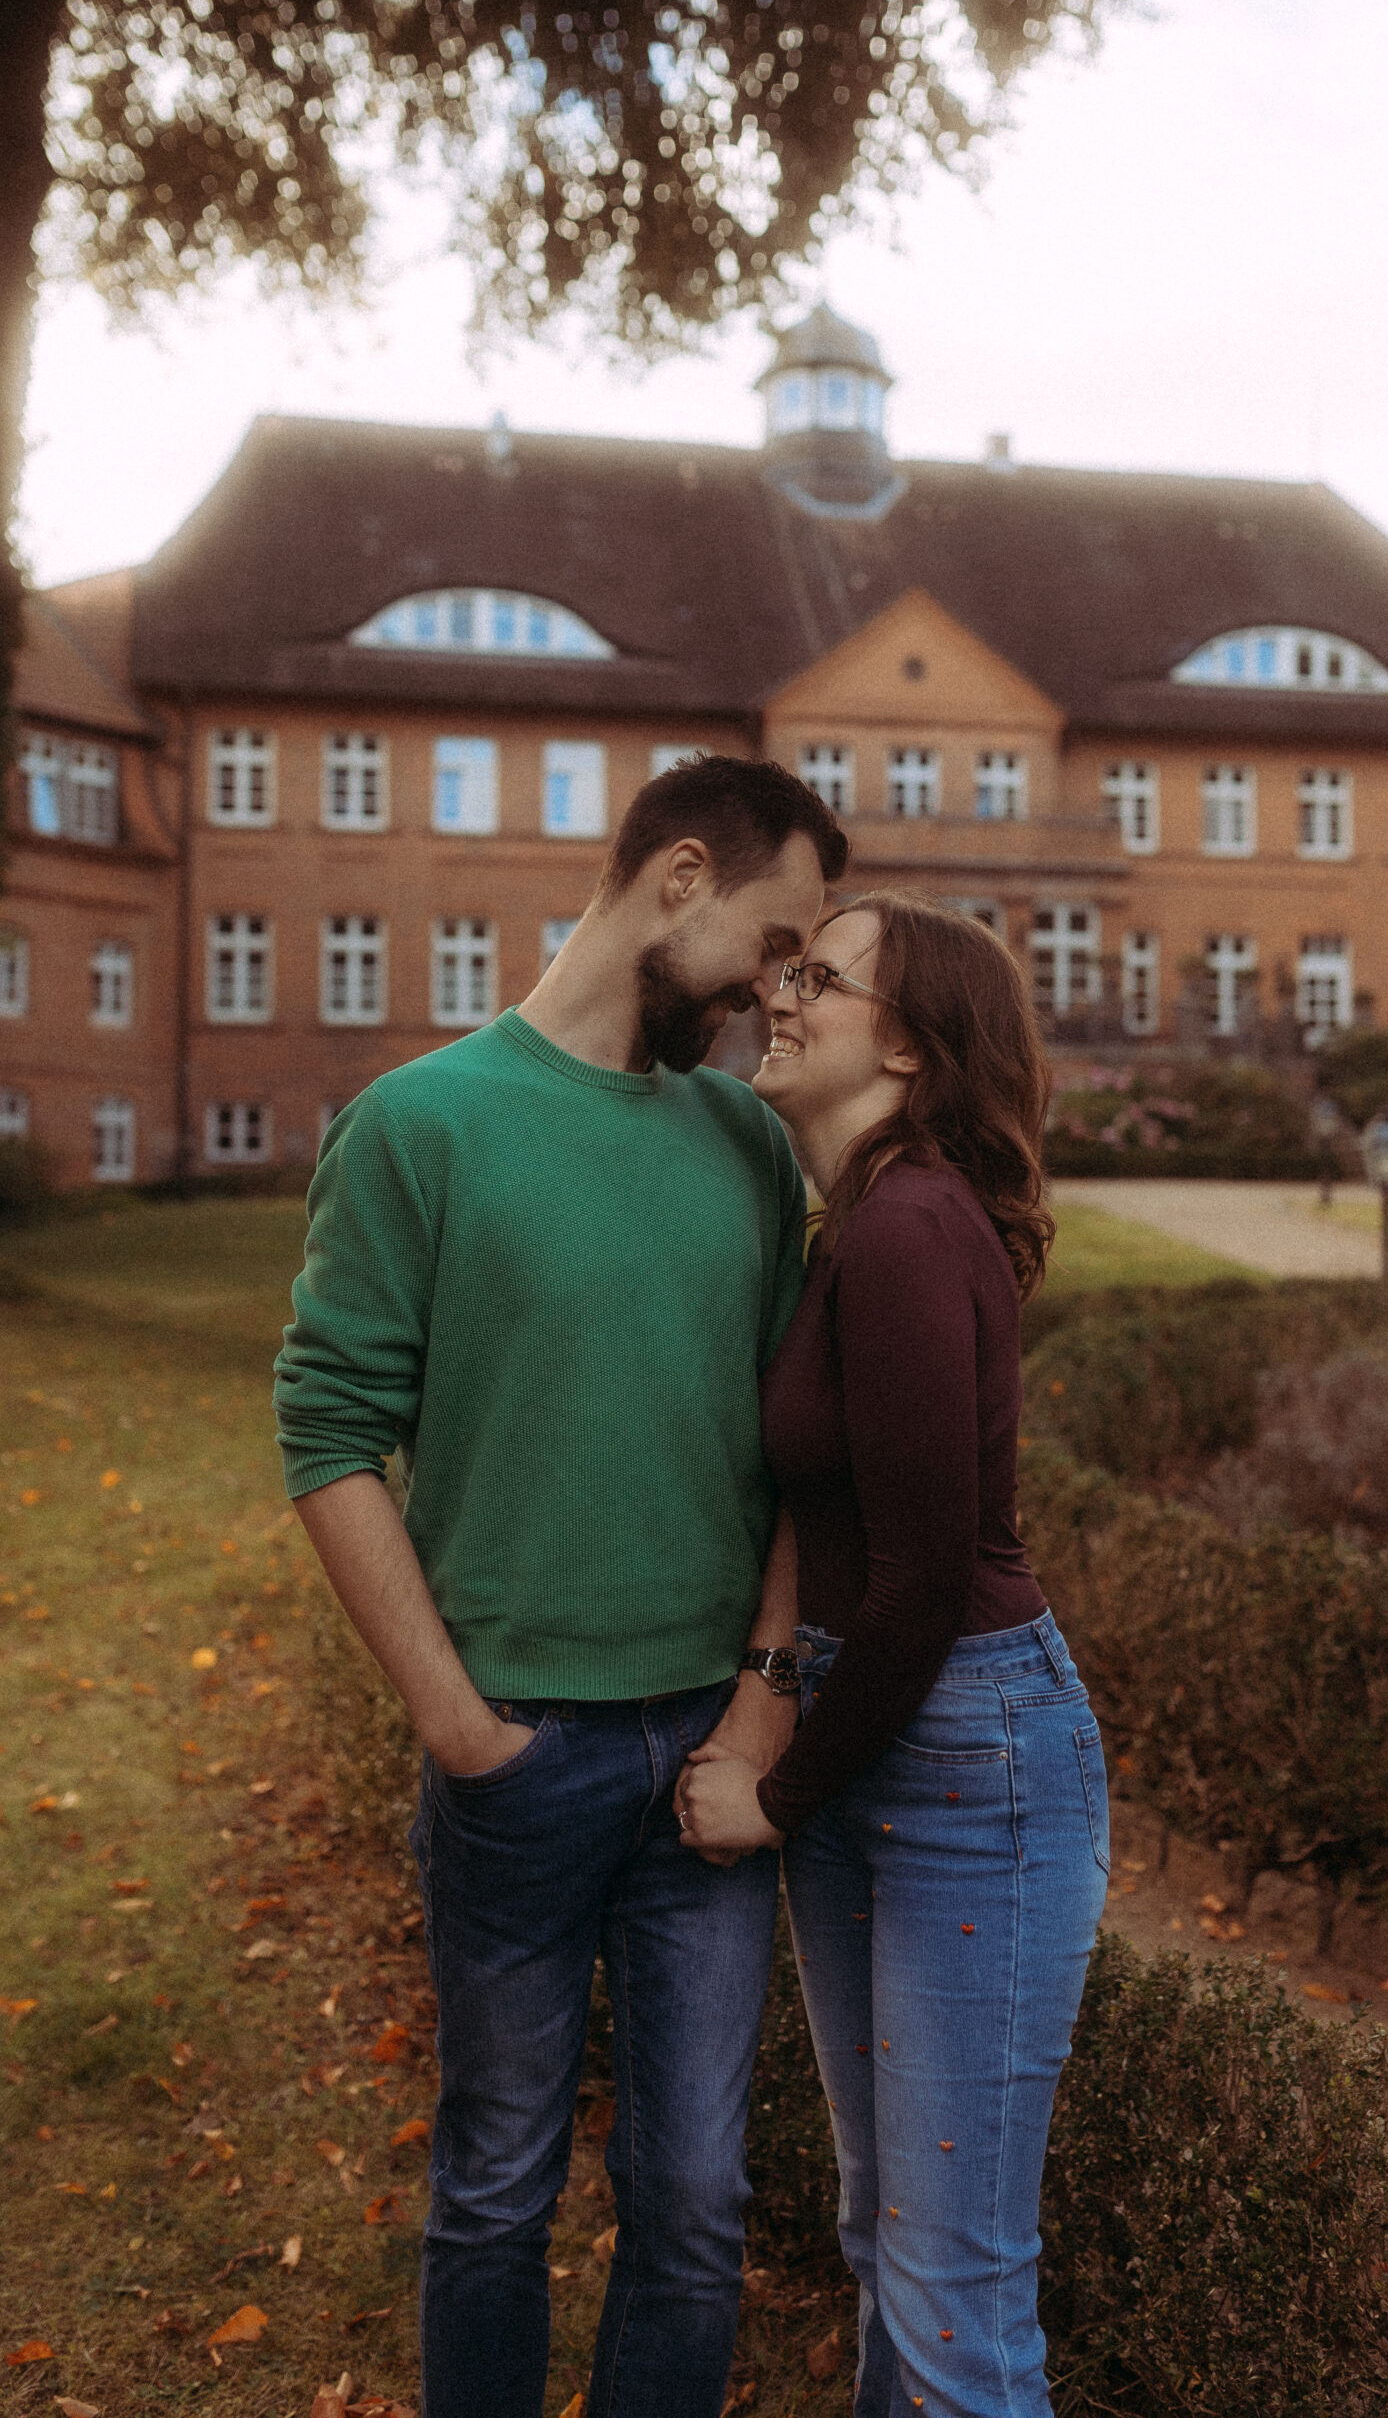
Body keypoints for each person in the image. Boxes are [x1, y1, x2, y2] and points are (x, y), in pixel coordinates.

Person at [272, 755, 848, 2418]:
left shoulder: (749, 1144)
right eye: (775, 938)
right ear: (680, 879)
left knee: (692, 2208)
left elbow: (796, 1451)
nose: (776, 989)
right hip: (518, 1752)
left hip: (709, 1770)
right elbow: (323, 1434)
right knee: (497, 2191)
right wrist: (455, 1724)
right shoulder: (420, 1126)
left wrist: (760, 1704)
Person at [677, 892, 1108, 2418]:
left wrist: (779, 1798)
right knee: (891, 2240)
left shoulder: (912, 1224)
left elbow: (926, 1580)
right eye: (786, 971)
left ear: (911, 1048)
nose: (778, 997)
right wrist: (781, 1711)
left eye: (820, 980)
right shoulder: (860, 1217)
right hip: (886, 1733)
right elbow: (849, 1552)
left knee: (953, 2287)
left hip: (967, 1757)